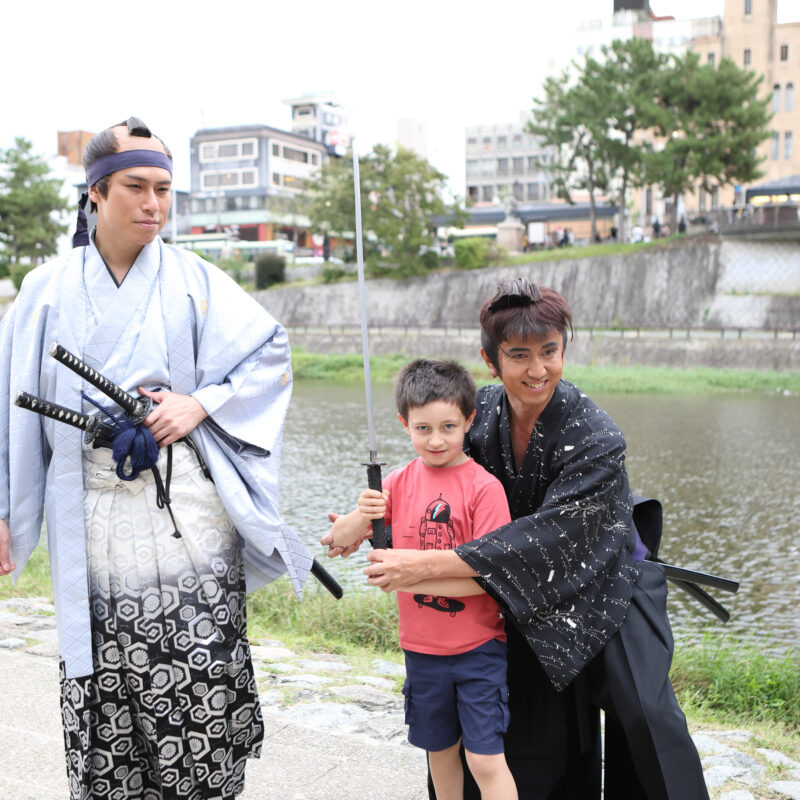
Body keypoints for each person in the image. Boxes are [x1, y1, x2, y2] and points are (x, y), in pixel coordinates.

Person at [0, 117, 313, 799]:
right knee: (105, 686)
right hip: (91, 519)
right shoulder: (45, 290)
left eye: (164, 190)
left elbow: (270, 356)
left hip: (186, 520)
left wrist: (198, 403)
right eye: (136, 187)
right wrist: (3, 510)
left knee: (196, 670)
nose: (154, 204)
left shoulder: (197, 281)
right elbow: (7, 404)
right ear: (96, 194)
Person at [324, 280, 709, 800]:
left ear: (563, 350)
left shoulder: (597, 435)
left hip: (602, 579)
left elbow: (551, 539)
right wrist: (363, 518)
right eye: (519, 355)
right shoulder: (477, 416)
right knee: (516, 722)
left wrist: (422, 568)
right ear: (491, 360)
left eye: (550, 352)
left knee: (645, 711)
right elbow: (427, 476)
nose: (538, 369)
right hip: (509, 576)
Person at [326, 359, 518, 800]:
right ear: (404, 424)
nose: (436, 440)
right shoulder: (397, 481)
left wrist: (410, 577)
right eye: (423, 428)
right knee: (440, 753)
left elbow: (492, 579)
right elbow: (336, 539)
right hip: (421, 650)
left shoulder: (484, 489)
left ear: (469, 421)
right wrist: (363, 511)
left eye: (449, 427)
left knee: (485, 759)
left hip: (478, 650)